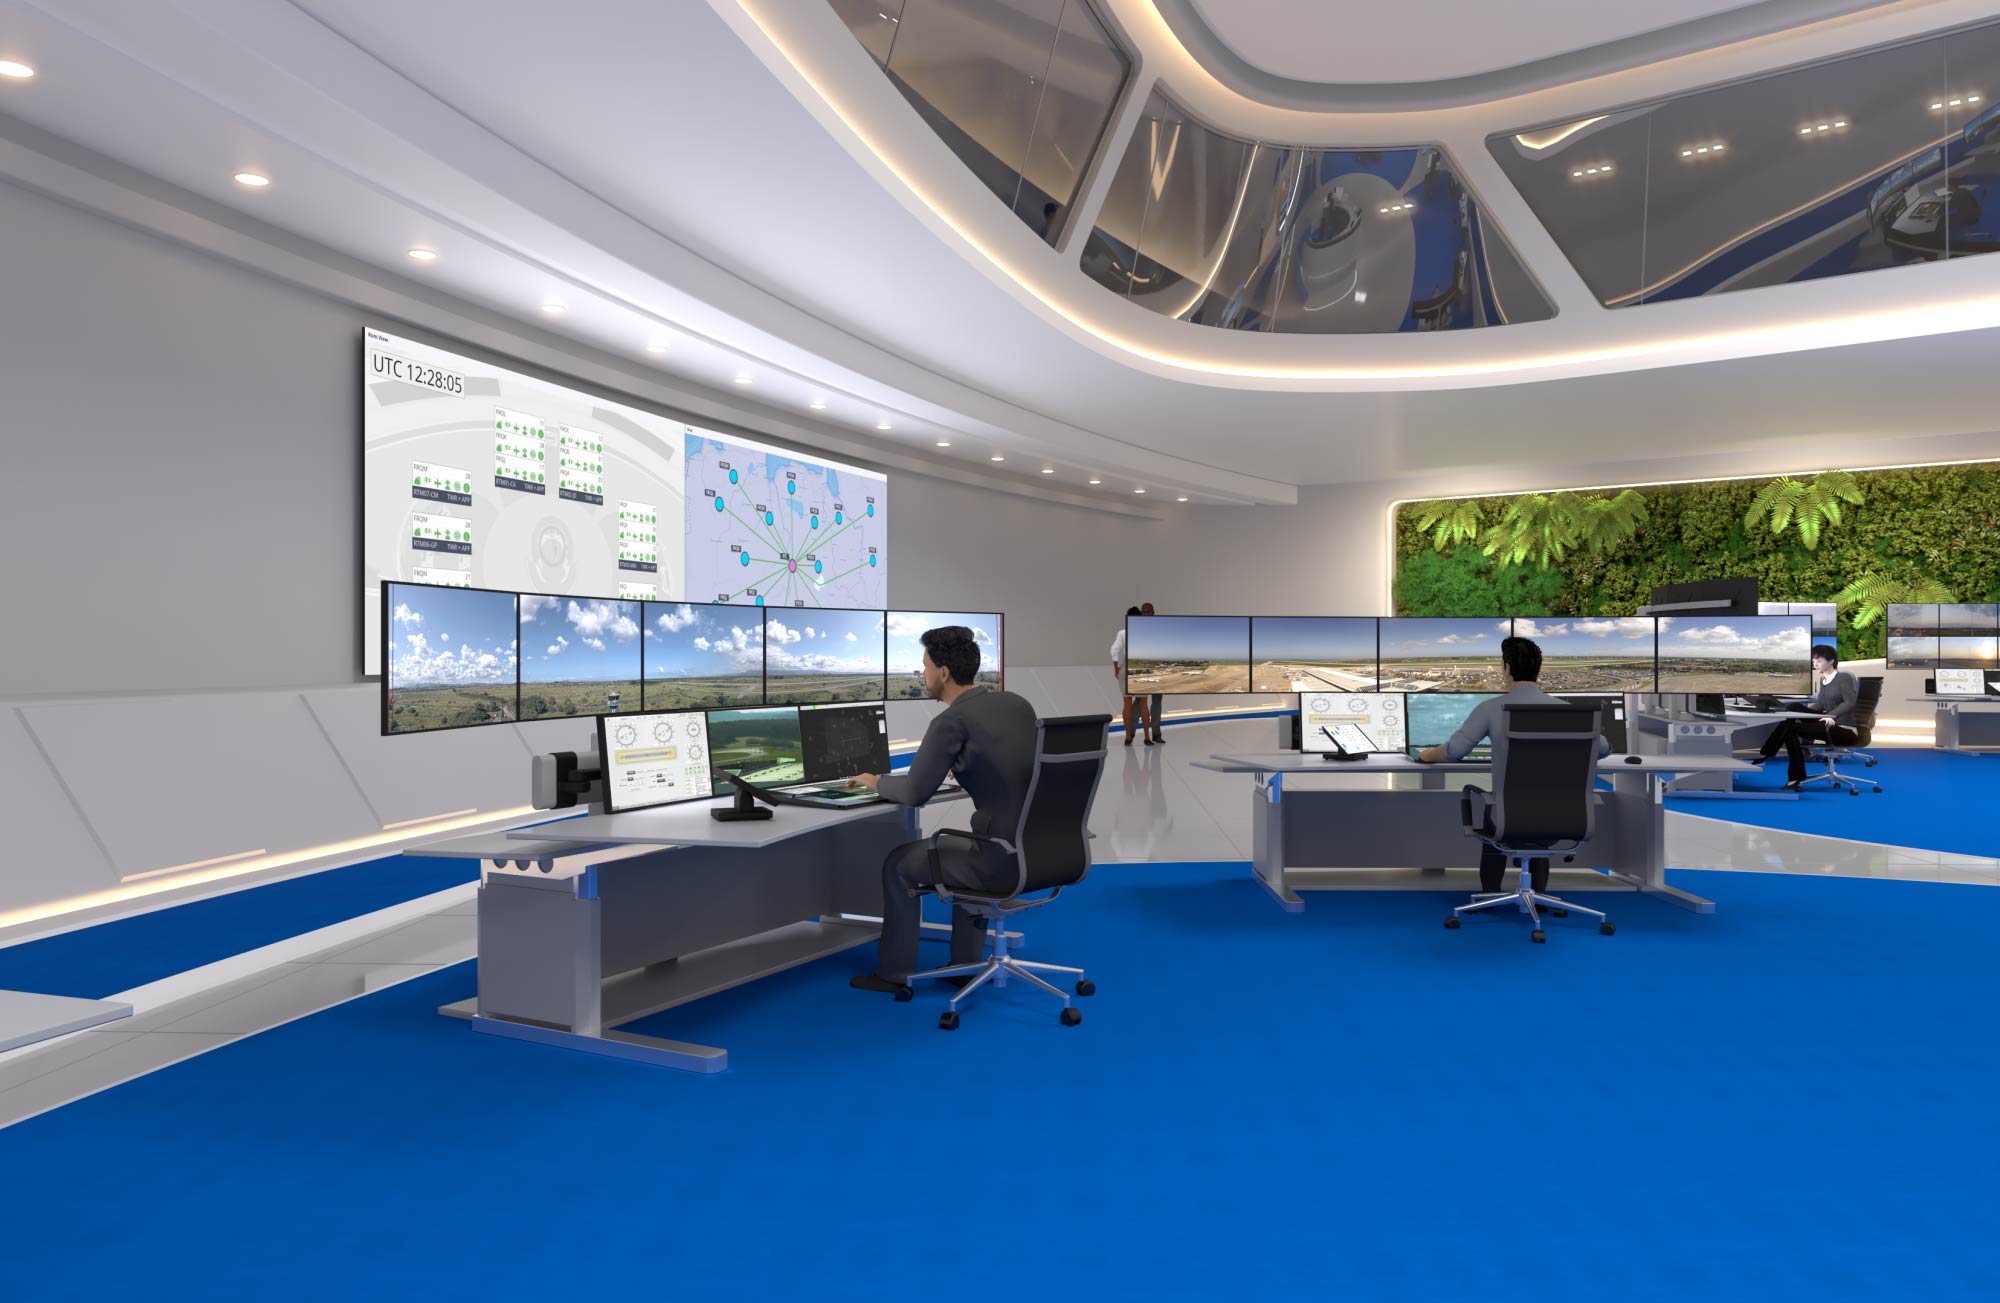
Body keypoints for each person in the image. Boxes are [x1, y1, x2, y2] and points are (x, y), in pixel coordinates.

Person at [846, 626, 1039, 996]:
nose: (922, 675)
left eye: (924, 667)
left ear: (944, 673)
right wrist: (965, 764)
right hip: (1040, 849)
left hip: (997, 858)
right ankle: (963, 965)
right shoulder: (1017, 704)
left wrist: (873, 779)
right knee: (966, 851)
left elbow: (915, 792)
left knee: (898, 864)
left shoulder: (950, 721)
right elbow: (1011, 761)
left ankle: (893, 973)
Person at [1415, 635, 1610, 894]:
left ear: (1506, 668)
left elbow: (1454, 752)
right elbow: (1604, 748)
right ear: (1538, 669)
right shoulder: (1567, 710)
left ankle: (1490, 894)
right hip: (1565, 817)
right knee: (1539, 816)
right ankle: (1538, 896)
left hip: (1509, 819)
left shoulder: (1491, 708)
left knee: (1494, 812)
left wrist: (1425, 754)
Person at [1755, 644, 1857, 788]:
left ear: (1832, 661)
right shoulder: (1824, 680)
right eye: (1813, 661)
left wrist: (1831, 715)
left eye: (1819, 661)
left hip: (1842, 727)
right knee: (1794, 707)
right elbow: (1820, 704)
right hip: (1826, 722)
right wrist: (1800, 714)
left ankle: (1774, 757)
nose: (1815, 664)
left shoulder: (1843, 677)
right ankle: (1777, 759)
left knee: (1791, 729)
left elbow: (1850, 702)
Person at [1110, 605, 1152, 746]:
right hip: (1141, 668)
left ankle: (1128, 737)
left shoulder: (1122, 633)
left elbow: (1114, 651)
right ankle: (1147, 737)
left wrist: (1116, 669)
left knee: (1127, 704)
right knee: (1144, 705)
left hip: (1125, 668)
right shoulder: (1146, 633)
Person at [1140, 601, 1165, 745]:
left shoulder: (1160, 628)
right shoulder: (1135, 627)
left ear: (1153, 612)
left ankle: (1156, 734)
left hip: (1156, 670)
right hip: (1142, 670)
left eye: (1149, 612)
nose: (1146, 614)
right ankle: (1132, 734)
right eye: (1144, 612)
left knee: (1156, 702)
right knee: (1139, 703)